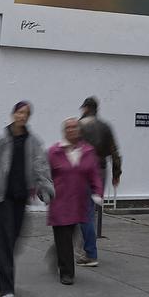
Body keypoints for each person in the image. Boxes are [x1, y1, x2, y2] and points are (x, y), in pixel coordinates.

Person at [0, 101, 54, 297]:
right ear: (13, 114)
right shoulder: (1, 140)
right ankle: (7, 289)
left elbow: (41, 167)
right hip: (3, 199)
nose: (22, 116)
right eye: (19, 112)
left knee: (17, 239)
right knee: (6, 241)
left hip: (21, 199)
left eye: (26, 113)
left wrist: (46, 190)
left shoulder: (33, 142)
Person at [47, 119, 103, 284]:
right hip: (59, 201)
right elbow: (44, 174)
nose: (71, 130)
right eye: (68, 127)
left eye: (74, 127)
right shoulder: (54, 151)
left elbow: (94, 174)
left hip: (79, 201)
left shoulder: (88, 151)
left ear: (79, 131)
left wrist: (97, 192)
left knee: (71, 234)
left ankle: (57, 254)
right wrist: (40, 191)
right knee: (63, 234)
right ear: (64, 131)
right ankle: (67, 273)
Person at [78, 95, 122, 264]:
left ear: (85, 108)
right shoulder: (106, 127)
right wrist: (117, 174)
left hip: (83, 172)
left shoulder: (80, 125)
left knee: (83, 212)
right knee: (90, 211)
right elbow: (115, 152)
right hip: (101, 171)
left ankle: (89, 252)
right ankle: (86, 248)